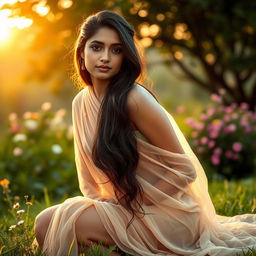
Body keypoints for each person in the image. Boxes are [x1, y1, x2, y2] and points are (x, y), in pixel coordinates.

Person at [33, 10, 256, 256]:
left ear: (125, 57)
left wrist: (134, 206)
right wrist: (109, 208)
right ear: (82, 53)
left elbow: (185, 170)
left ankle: (130, 246)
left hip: (167, 214)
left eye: (116, 50)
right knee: (45, 223)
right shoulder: (81, 103)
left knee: (54, 223)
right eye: (97, 47)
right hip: (123, 210)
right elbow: (89, 181)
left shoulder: (134, 98)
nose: (105, 57)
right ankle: (126, 247)